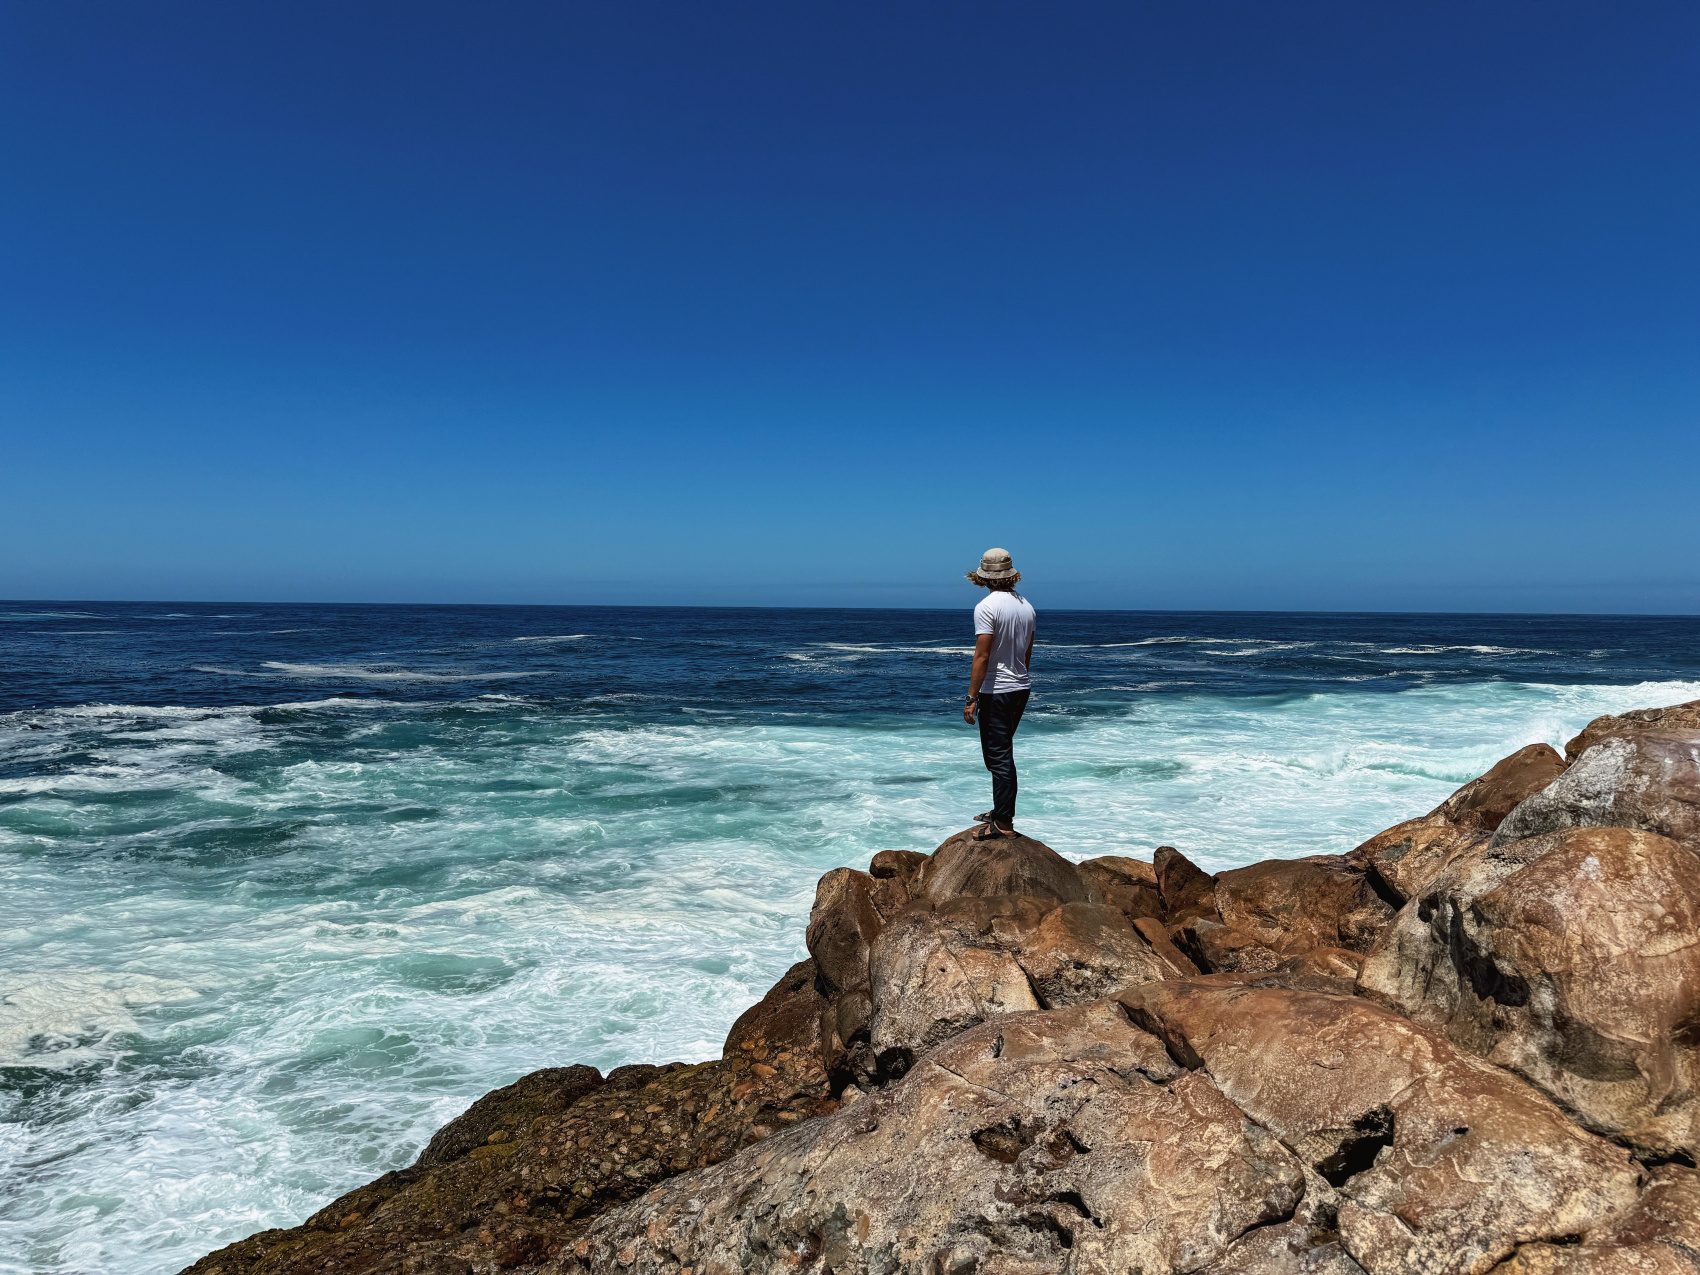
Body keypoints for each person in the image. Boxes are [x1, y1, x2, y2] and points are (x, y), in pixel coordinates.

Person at [962, 548, 1036, 841]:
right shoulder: (1026, 606)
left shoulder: (987, 607)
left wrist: (971, 698)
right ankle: (1000, 810)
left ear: (983, 577)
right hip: (1020, 687)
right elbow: (1027, 651)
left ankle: (1003, 822)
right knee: (999, 755)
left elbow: (982, 656)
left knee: (999, 757)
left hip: (998, 690)